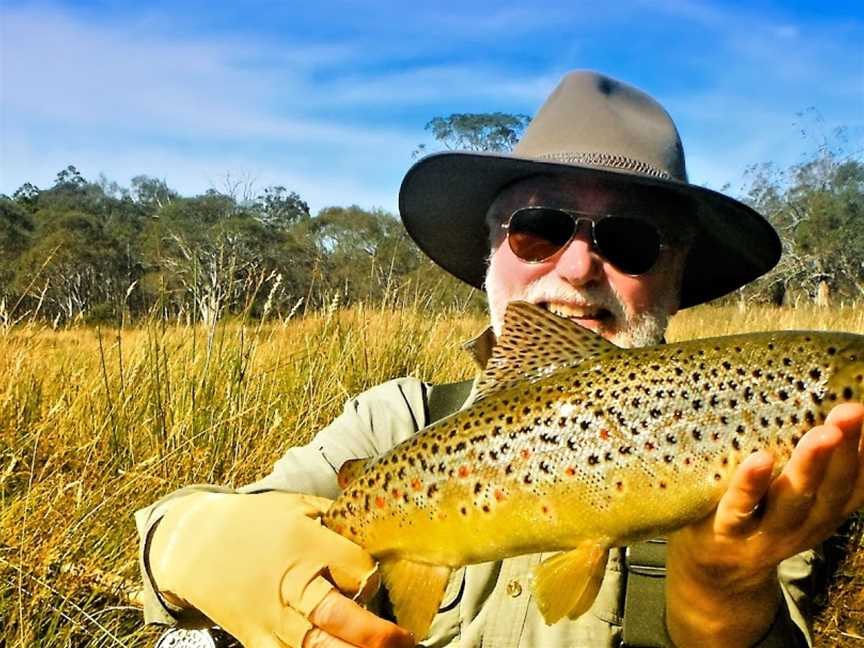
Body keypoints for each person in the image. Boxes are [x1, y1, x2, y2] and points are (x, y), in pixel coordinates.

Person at [136, 71, 864, 648]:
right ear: (492, 251)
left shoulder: (802, 465)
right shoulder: (397, 422)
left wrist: (724, 592)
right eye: (539, 229)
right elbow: (204, 523)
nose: (578, 267)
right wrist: (188, 539)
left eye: (631, 241)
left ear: (676, 277)